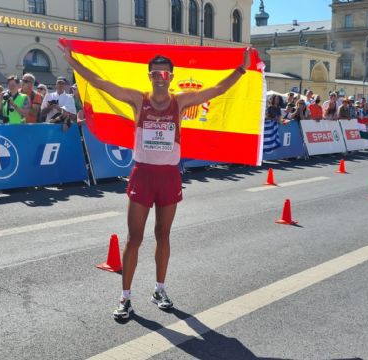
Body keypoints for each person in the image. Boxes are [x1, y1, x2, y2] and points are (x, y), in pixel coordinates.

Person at [60, 40, 252, 320]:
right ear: (149, 76)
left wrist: (241, 69)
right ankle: (125, 298)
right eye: (155, 74)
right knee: (134, 238)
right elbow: (100, 82)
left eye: (164, 74)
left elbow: (217, 90)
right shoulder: (139, 99)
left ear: (171, 77)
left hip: (168, 176)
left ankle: (159, 289)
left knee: (163, 235)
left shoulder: (181, 101)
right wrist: (73, 62)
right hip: (143, 174)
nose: (160, 78)